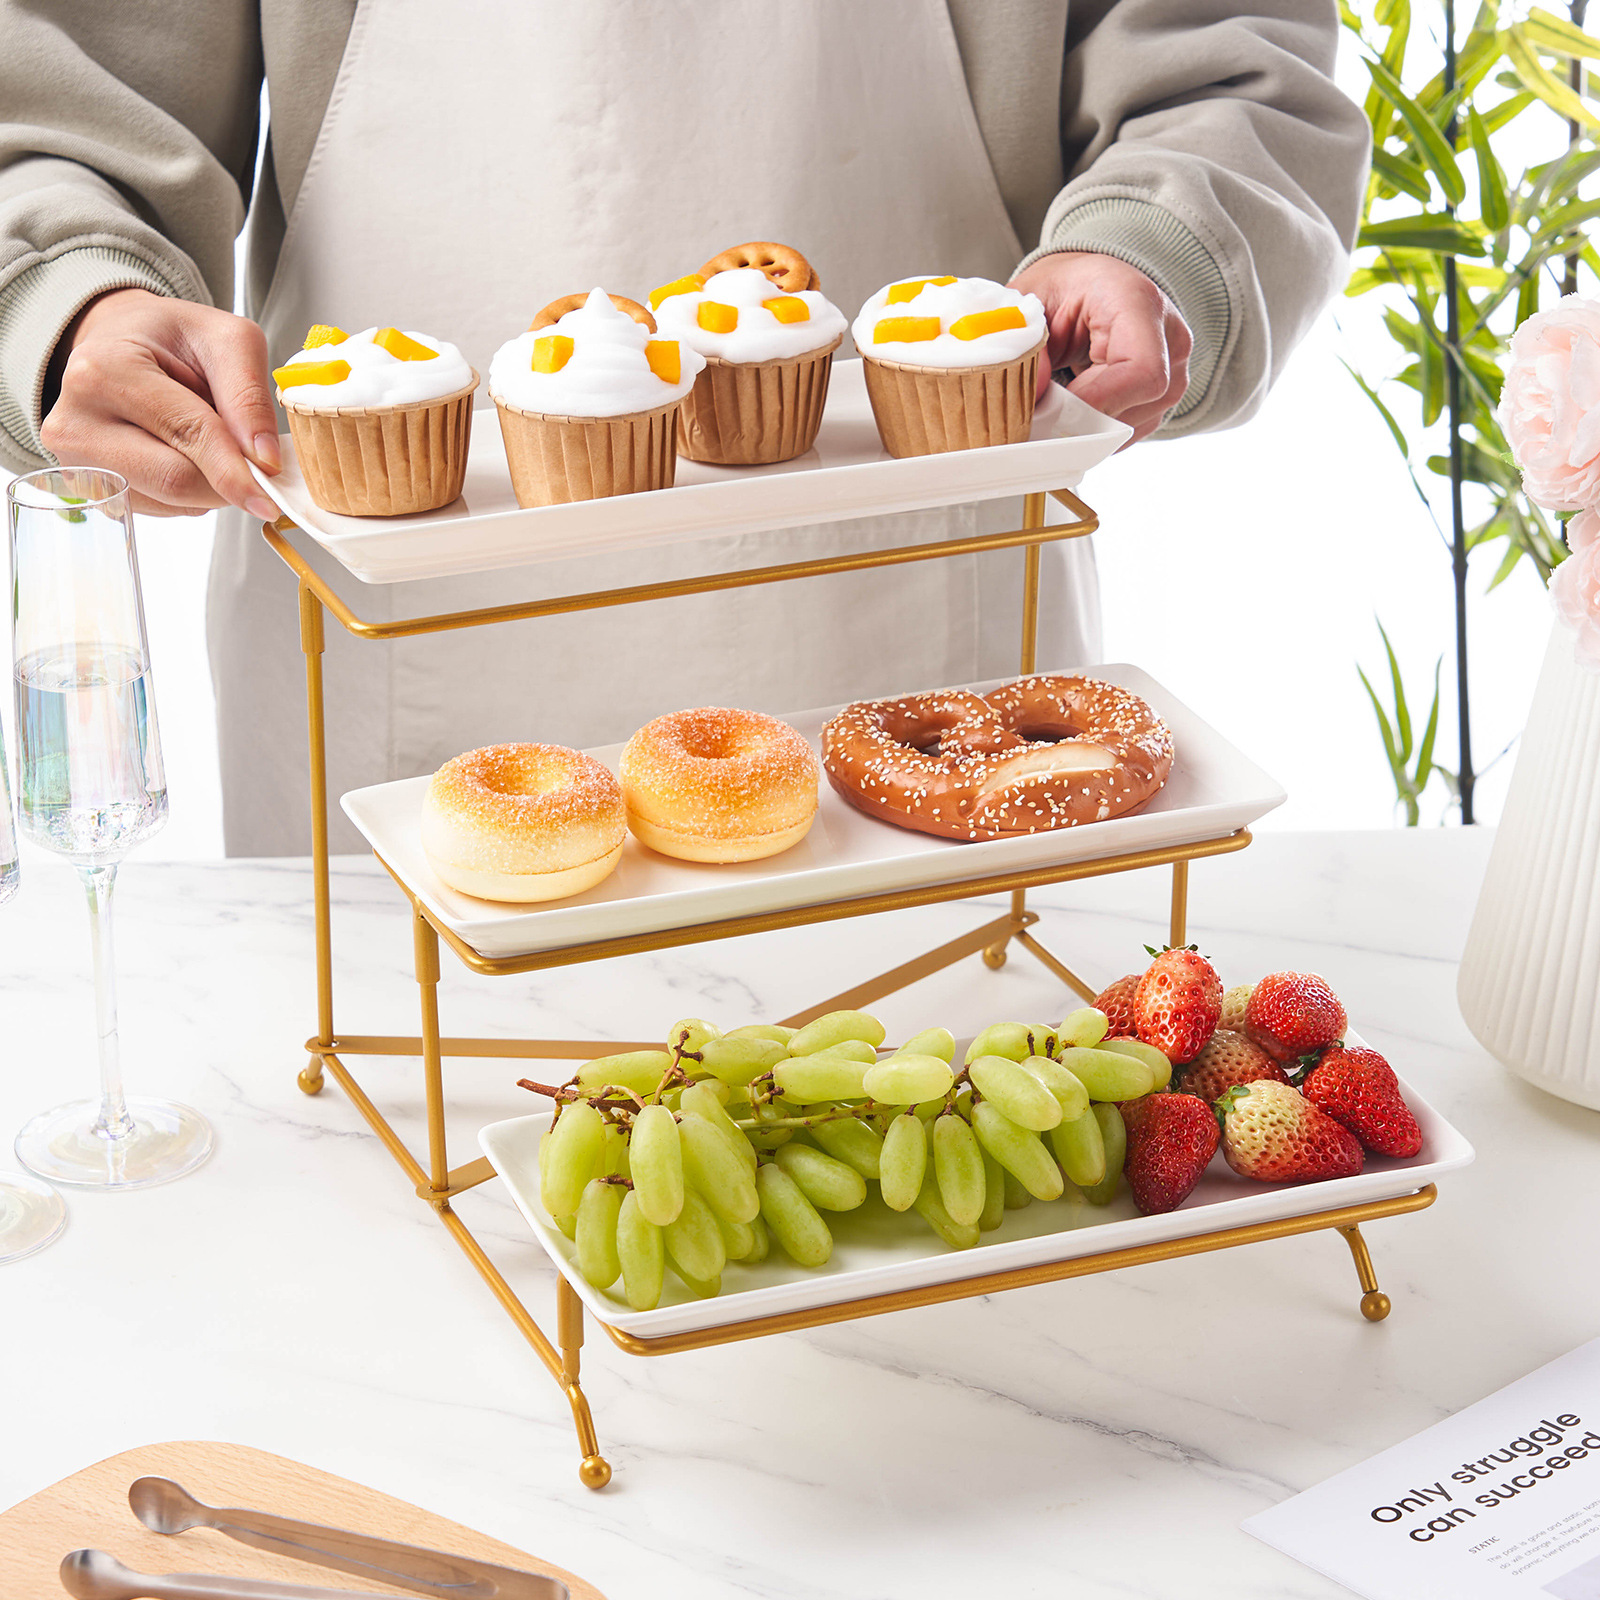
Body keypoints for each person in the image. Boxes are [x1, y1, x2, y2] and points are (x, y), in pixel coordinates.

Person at [0, 3, 1368, 855]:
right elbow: (57, 90)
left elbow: (1234, 60)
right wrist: (72, 298)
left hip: (926, 645)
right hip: (390, 676)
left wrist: (1155, 245)